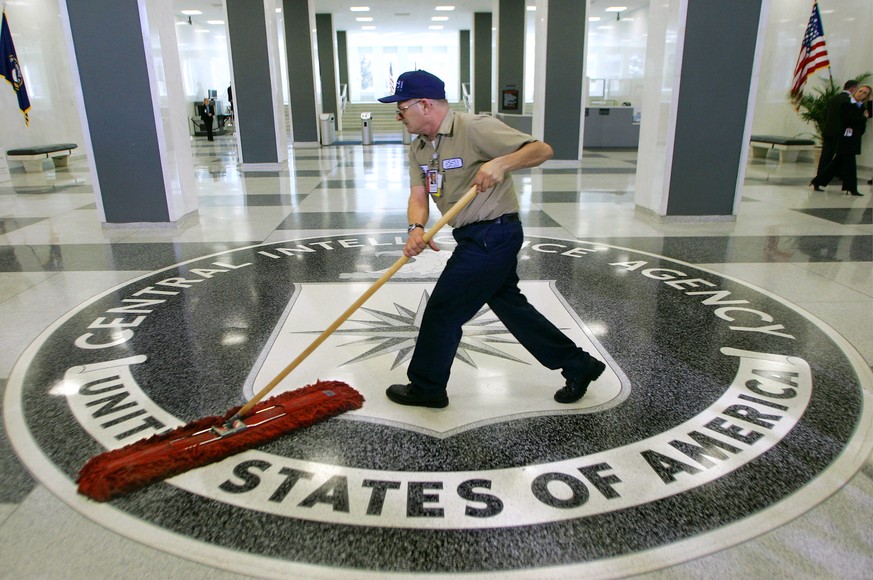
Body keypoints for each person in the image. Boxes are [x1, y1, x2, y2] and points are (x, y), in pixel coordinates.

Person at [377, 69, 606, 409]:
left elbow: (541, 149)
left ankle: (427, 387)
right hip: (471, 234)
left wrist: (503, 162)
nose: (398, 115)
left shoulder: (474, 127)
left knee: (443, 310)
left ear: (424, 105)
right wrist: (416, 228)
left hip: (494, 233)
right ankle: (578, 364)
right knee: (512, 307)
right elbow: (418, 197)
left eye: (402, 107)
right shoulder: (420, 147)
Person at [811, 85, 871, 196]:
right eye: (860, 91)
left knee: (837, 163)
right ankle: (852, 188)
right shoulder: (846, 103)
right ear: (855, 91)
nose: (861, 94)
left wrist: (871, 101)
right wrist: (863, 118)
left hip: (854, 138)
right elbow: (848, 119)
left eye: (865, 93)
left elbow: (869, 115)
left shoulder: (861, 106)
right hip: (845, 138)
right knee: (849, 164)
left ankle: (818, 181)